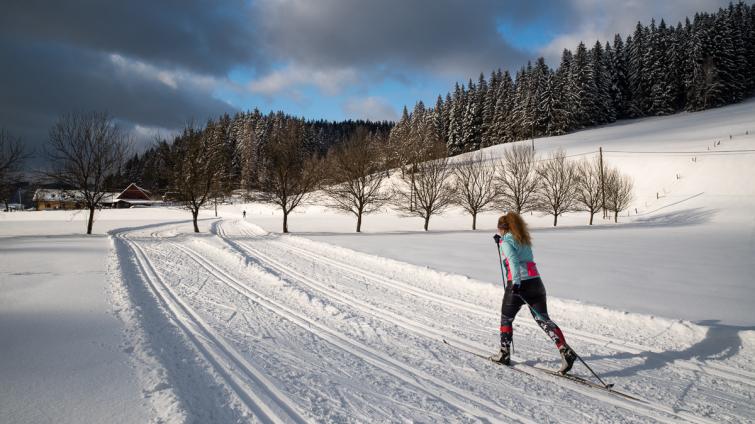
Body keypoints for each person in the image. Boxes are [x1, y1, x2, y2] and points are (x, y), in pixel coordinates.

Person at [490, 211, 577, 374]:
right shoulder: (523, 239)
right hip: (536, 283)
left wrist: (515, 283)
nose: (499, 232)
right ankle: (565, 350)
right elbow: (520, 254)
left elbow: (514, 261)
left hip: (518, 284)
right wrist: (501, 241)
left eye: (499, 229)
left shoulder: (506, 243)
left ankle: (504, 354)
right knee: (543, 318)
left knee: (506, 318)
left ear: (503, 228)